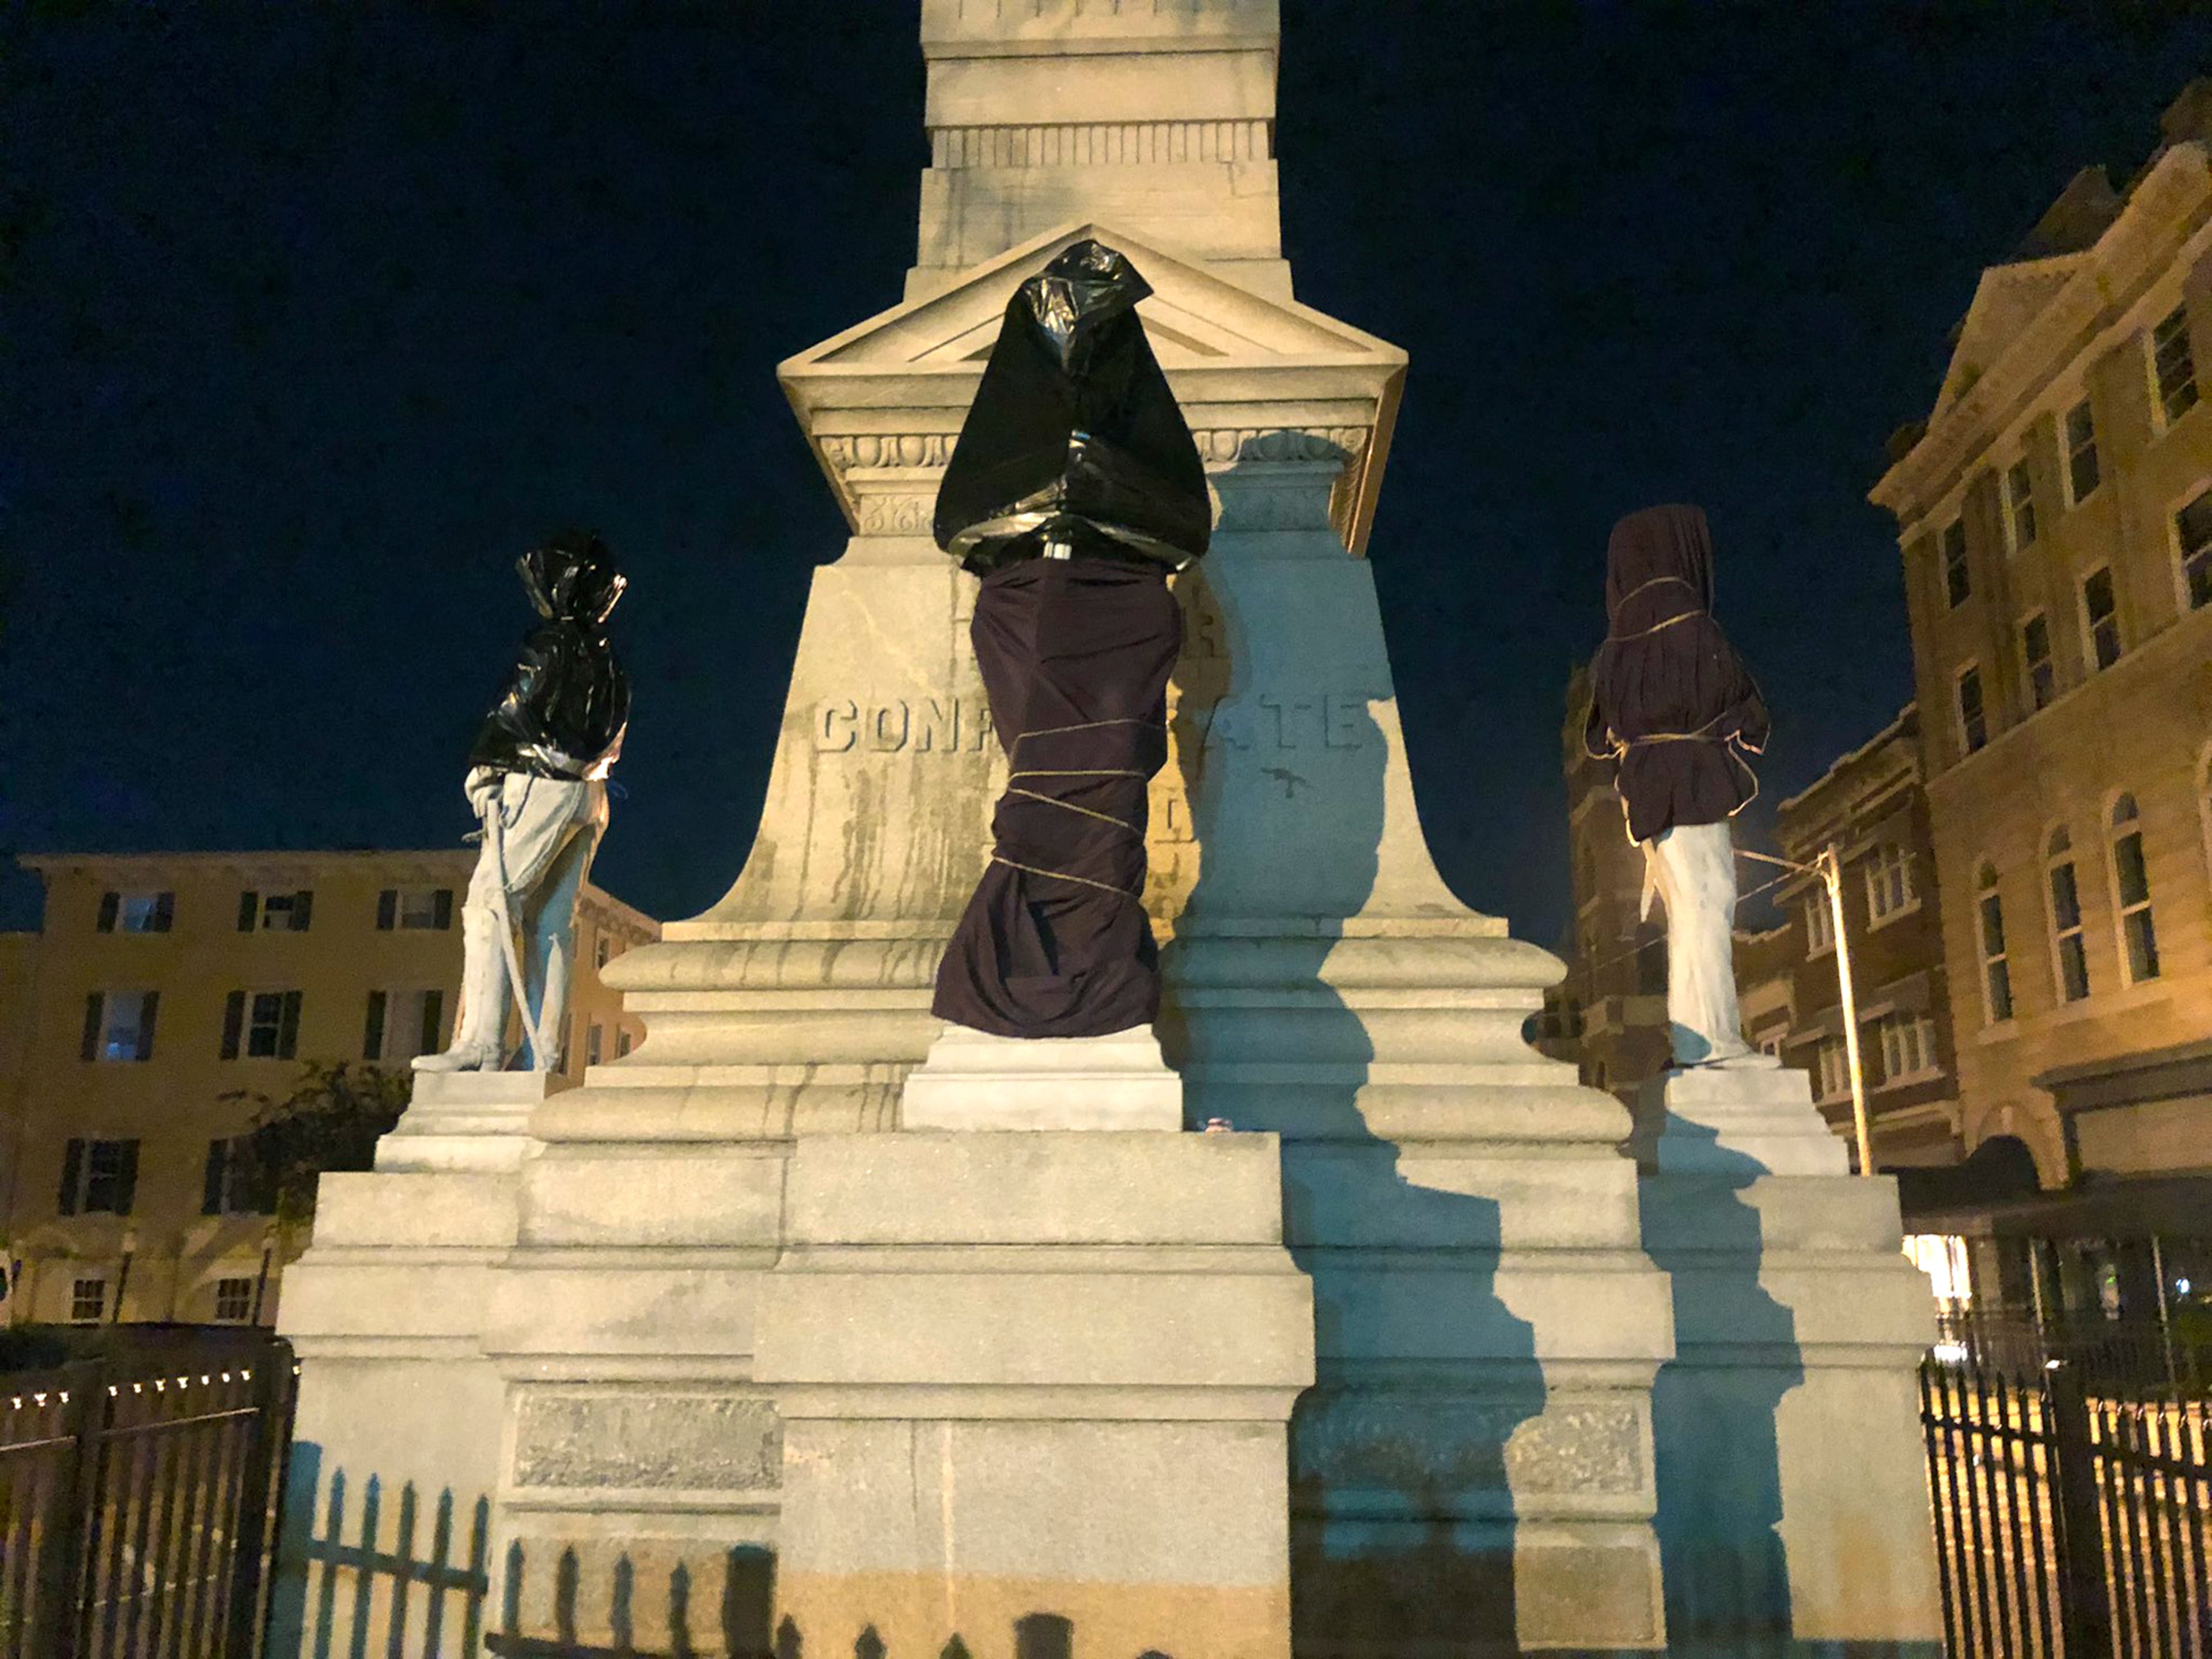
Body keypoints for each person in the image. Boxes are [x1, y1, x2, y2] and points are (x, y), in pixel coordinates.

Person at [927, 239, 1209, 1039]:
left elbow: (1186, 524)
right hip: (1025, 606)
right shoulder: (1007, 423)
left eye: (1096, 318)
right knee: (1043, 796)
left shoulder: (1140, 424)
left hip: (1121, 610)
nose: (1077, 331)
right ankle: (1013, 973)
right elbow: (959, 522)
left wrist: (1096, 483)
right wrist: (1058, 486)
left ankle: (1101, 981)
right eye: (1059, 313)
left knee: (1111, 779)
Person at [415, 532, 630, 1073]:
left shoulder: (552, 643)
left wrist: (486, 767)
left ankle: (481, 1044)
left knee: (490, 903)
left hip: (539, 783)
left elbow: (517, 706)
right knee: (552, 925)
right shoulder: (608, 660)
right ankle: (542, 1053)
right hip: (590, 792)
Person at [1583, 504, 1768, 1068]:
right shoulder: (1691, 623)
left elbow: (1597, 734)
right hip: (1694, 782)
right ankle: (1711, 1040)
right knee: (1709, 905)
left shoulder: (1614, 648)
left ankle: (1698, 1038)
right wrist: (1742, 727)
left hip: (1645, 794)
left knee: (1687, 910)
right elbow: (1739, 698)